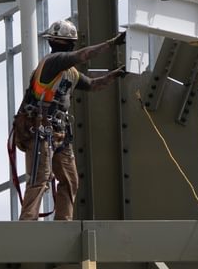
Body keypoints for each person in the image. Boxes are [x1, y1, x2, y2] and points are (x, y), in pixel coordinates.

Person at [17, 19, 124, 222]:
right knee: (40, 179)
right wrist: (111, 43)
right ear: (69, 43)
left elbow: (92, 85)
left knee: (69, 179)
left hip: (58, 133)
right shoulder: (53, 62)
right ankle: (27, 224)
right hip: (41, 131)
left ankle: (64, 222)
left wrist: (116, 74)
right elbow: (83, 55)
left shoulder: (70, 73)